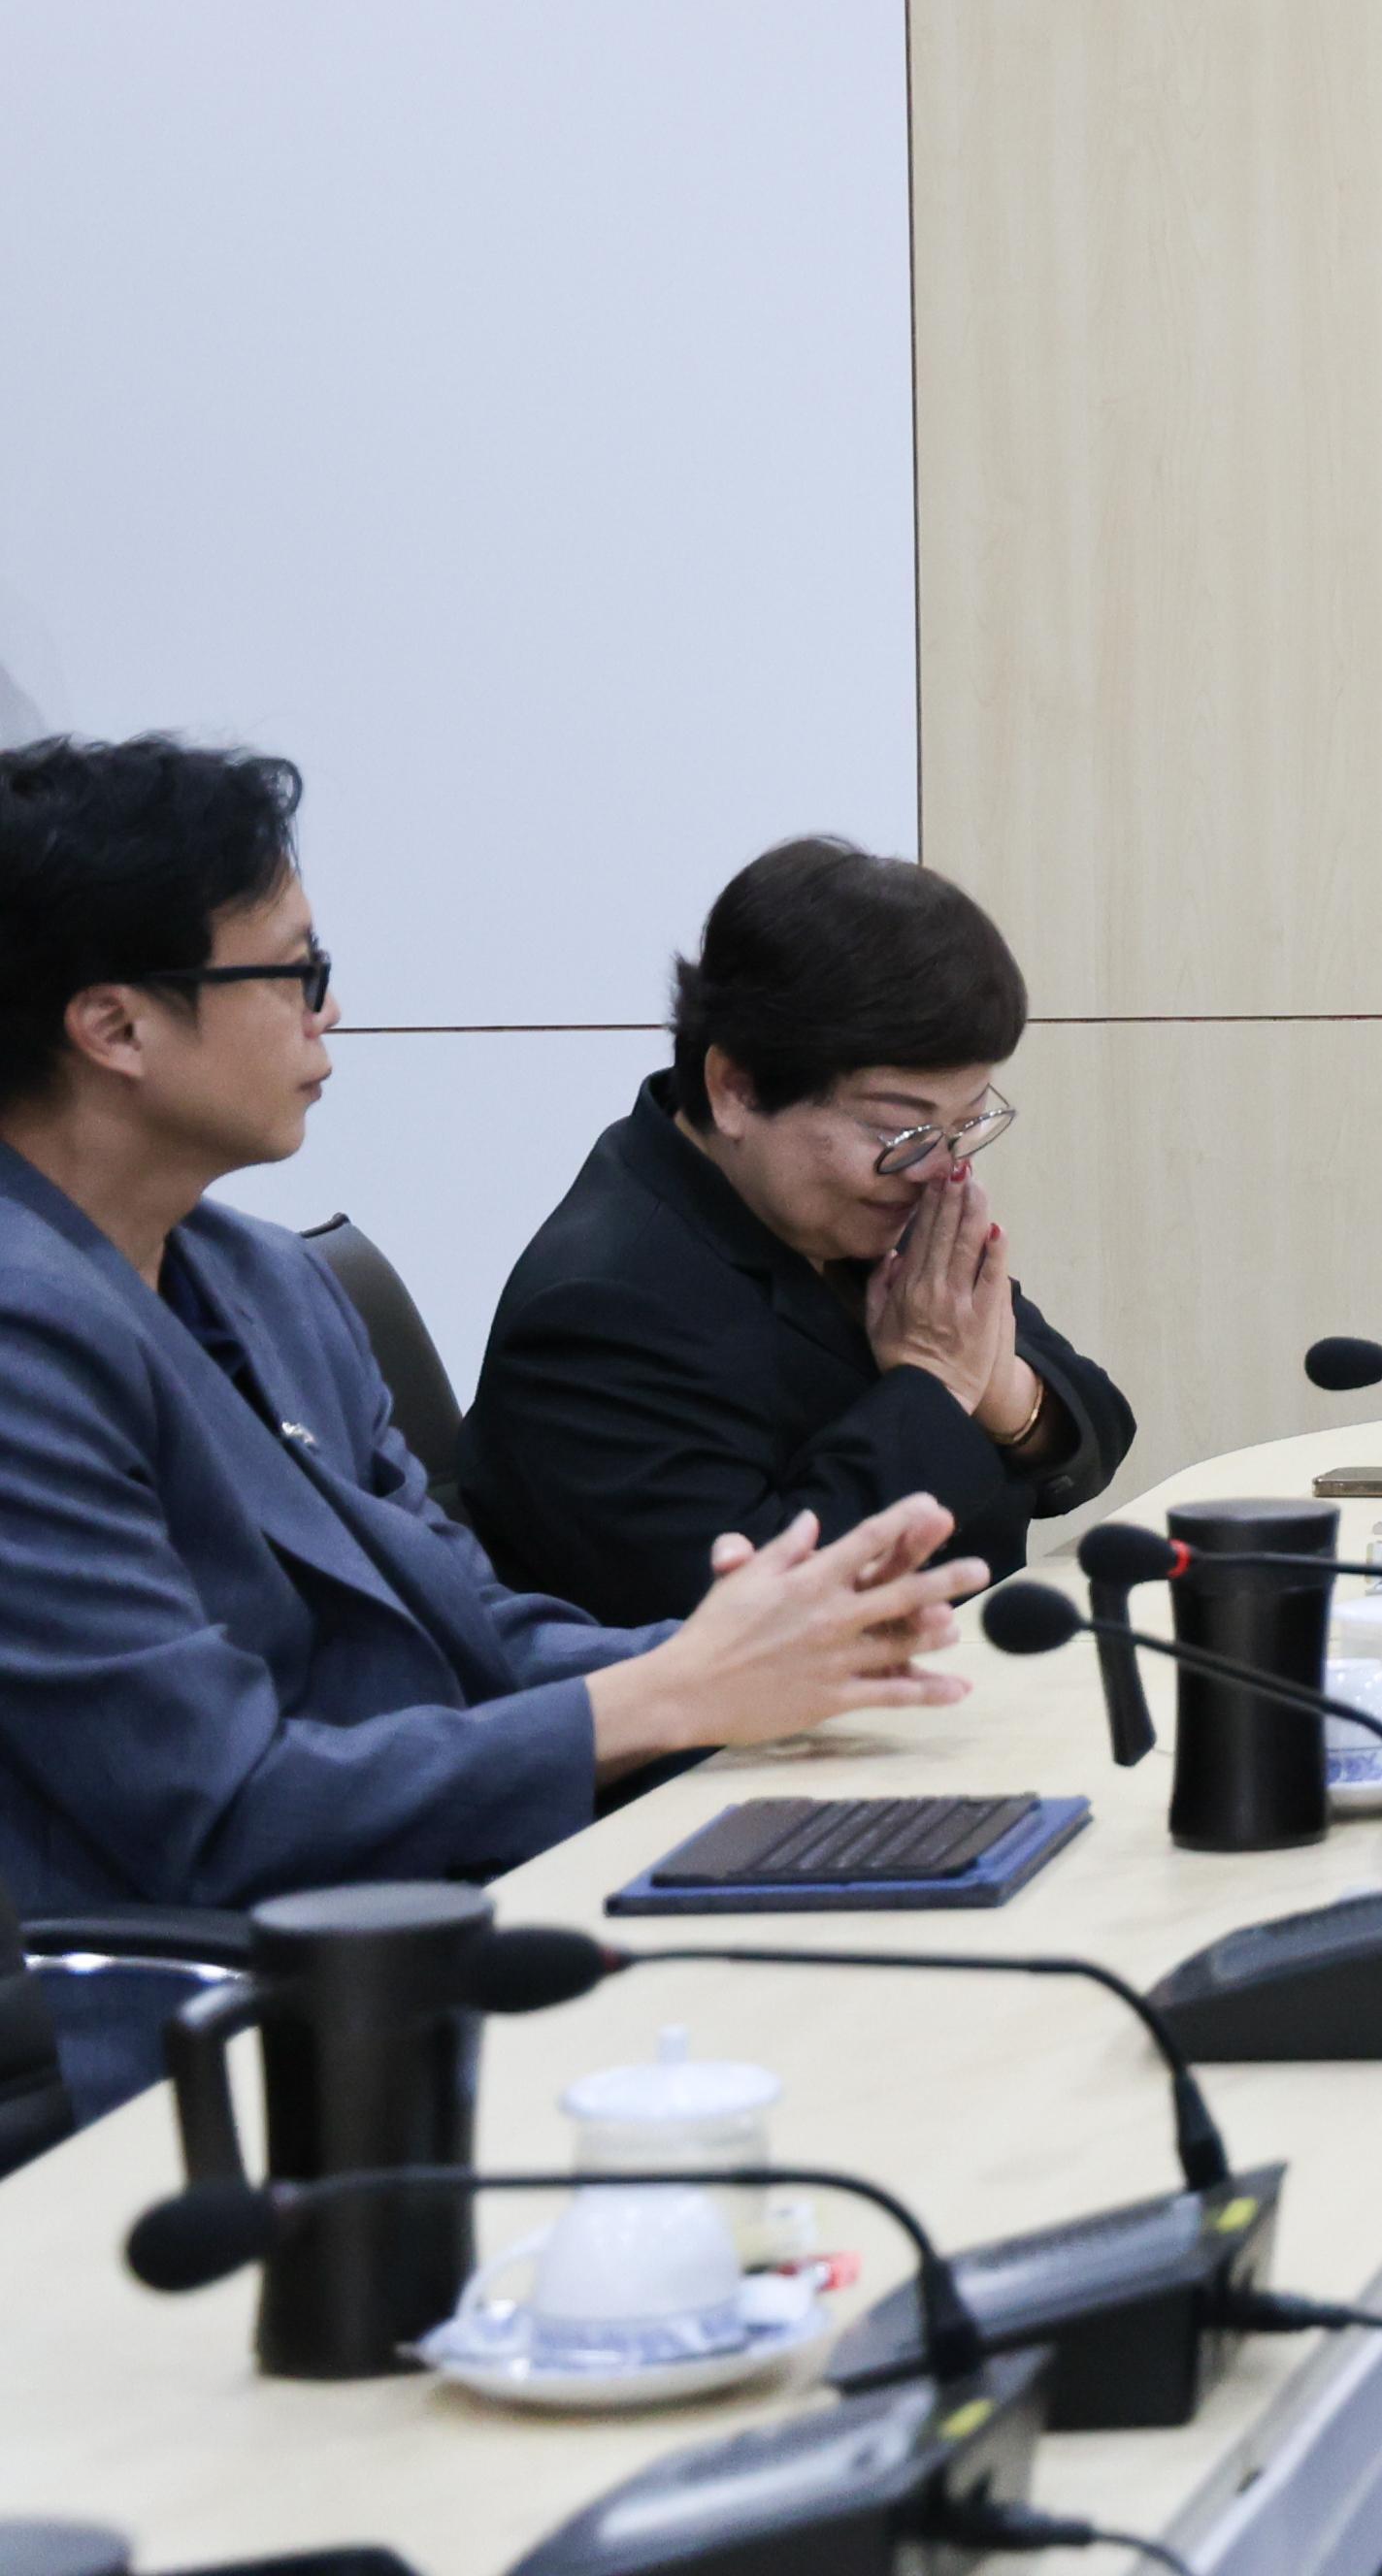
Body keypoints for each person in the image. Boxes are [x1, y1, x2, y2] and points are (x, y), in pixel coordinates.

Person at [0, 737, 979, 2116]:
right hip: (178, 2039)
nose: (330, 1014)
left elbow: (465, 1627)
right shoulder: (22, 1341)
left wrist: (764, 1648)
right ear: (115, 1028)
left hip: (410, 1926)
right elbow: (216, 1811)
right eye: (294, 974)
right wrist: (668, 1696)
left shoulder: (264, 1280)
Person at [462, 840, 1134, 1628]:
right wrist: (936, 1385)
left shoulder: (866, 1202)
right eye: (900, 1126)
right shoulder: (598, 1313)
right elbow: (754, 1626)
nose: (940, 1167)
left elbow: (1097, 1430)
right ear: (735, 1088)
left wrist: (998, 1391)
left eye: (967, 1121)